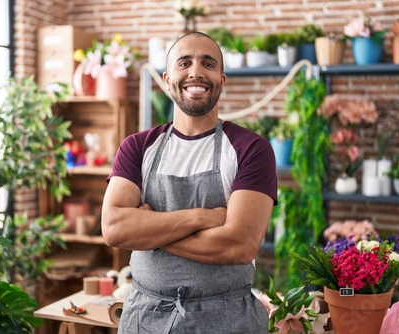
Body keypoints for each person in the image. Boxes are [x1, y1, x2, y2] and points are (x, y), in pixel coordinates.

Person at [101, 31, 277, 333]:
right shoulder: (138, 147)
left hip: (227, 319)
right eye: (185, 63)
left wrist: (148, 230)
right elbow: (114, 228)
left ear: (222, 80)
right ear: (168, 80)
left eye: (208, 64)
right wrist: (203, 217)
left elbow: (239, 245)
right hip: (144, 317)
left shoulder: (251, 148)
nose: (195, 71)